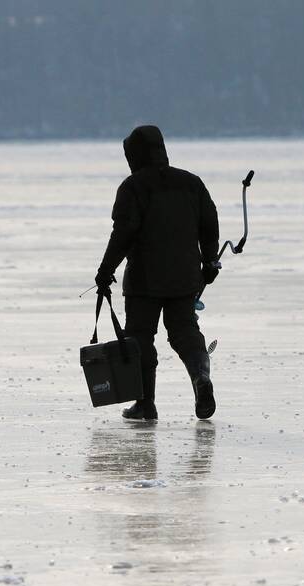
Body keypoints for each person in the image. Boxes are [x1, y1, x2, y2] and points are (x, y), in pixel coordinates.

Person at [94, 125, 220, 421]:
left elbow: (123, 233)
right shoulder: (192, 183)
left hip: (144, 280)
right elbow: (209, 224)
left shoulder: (133, 187)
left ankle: (145, 404)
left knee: (139, 337)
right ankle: (201, 377)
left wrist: (105, 270)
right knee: (185, 330)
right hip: (185, 276)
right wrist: (210, 261)